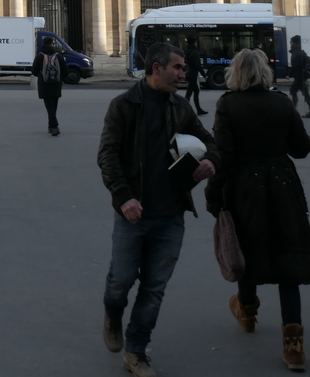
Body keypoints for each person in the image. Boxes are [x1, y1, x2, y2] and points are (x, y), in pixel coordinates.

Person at [98, 42, 219, 377]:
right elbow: (107, 155)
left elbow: (210, 141)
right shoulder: (123, 106)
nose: (184, 73)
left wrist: (211, 160)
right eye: (178, 68)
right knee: (120, 281)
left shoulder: (180, 108)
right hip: (132, 212)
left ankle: (136, 351)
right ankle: (112, 312)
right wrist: (124, 197)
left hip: (170, 215)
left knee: (154, 288)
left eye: (183, 68)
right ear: (156, 68)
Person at [207, 48, 310, 372]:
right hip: (282, 184)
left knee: (246, 248)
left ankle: (248, 310)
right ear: (266, 74)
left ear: (235, 74)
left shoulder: (228, 104)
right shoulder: (282, 102)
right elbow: (302, 149)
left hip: (244, 185)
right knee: (289, 257)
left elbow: (224, 156)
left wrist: (214, 196)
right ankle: (293, 345)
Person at [32, 38, 67, 135]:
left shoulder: (40, 56)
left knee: (49, 107)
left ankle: (54, 126)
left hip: (44, 84)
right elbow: (65, 71)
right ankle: (51, 126)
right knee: (54, 106)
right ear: (52, 44)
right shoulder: (58, 56)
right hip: (56, 83)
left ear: (44, 44)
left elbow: (34, 71)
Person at [286, 36, 310, 119]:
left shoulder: (296, 53)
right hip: (301, 76)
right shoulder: (301, 51)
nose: (290, 43)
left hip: (299, 77)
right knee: (304, 94)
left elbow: (295, 66)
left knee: (294, 92)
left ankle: (293, 112)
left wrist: (289, 74)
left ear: (293, 42)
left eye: (290, 42)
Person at [184, 38, 208, 115]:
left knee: (194, 91)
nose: (197, 44)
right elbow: (198, 65)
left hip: (188, 74)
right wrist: (204, 75)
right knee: (189, 93)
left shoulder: (186, 51)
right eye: (196, 42)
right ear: (194, 43)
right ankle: (183, 109)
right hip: (193, 74)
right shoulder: (195, 52)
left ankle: (198, 109)